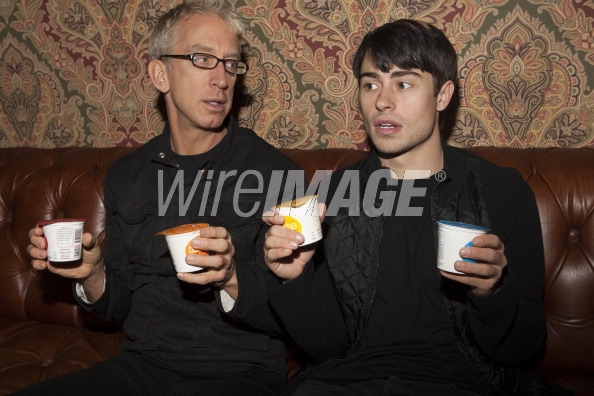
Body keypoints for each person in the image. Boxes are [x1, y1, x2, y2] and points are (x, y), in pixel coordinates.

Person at [255, 20, 571, 395]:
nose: (382, 101)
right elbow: (327, 348)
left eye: (403, 84)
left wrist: (491, 292)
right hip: (347, 383)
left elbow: (523, 349)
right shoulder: (334, 192)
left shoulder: (500, 191)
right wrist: (293, 280)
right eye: (370, 84)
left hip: (465, 383)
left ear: (442, 95)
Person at [22, 1, 301, 395]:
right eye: (203, 59)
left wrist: (230, 276)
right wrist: (94, 272)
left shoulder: (275, 173)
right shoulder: (128, 174)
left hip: (239, 372)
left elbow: (294, 315)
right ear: (160, 73)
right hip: (140, 366)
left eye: (231, 63)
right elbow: (115, 307)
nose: (222, 78)